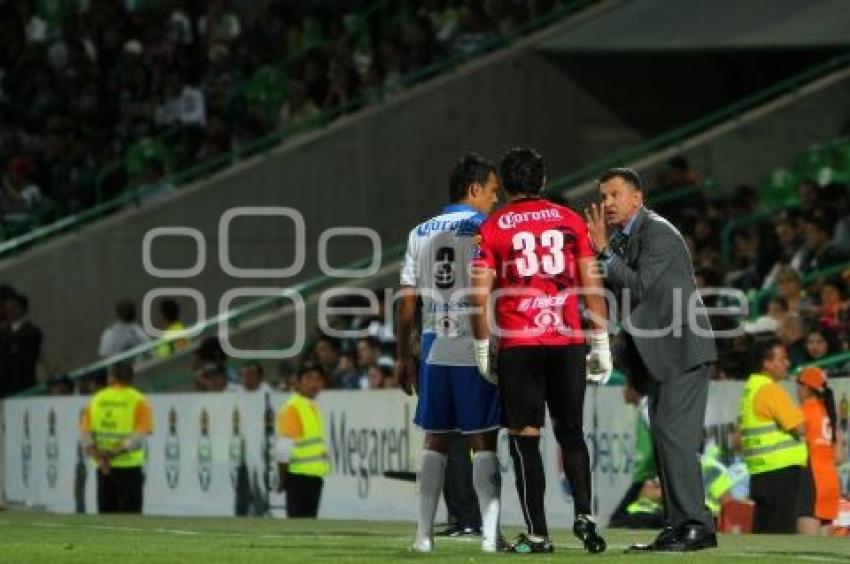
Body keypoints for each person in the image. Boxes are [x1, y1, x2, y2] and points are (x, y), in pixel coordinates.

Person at [470, 147, 610, 554]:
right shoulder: (569, 221)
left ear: (507, 184)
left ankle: (538, 534)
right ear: (543, 182)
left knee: (525, 440)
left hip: (521, 344)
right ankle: (584, 514)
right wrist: (600, 341)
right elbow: (592, 287)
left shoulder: (494, 227)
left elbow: (479, 297)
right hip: (567, 341)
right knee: (571, 432)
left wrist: (482, 347)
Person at [585, 167, 718, 552]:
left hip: (681, 351)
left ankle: (696, 526)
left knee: (675, 438)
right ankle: (678, 525)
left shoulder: (657, 232)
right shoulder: (626, 239)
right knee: (665, 438)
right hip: (659, 356)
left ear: (637, 198)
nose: (607, 203)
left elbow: (640, 286)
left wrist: (603, 252)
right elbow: (625, 299)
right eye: (603, 196)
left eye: (614, 195)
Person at [396, 153, 502, 553]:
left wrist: (405, 355)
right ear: (474, 189)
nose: (495, 199)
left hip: (432, 347)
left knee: (435, 441)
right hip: (475, 343)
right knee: (483, 441)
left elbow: (406, 303)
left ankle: (423, 536)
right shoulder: (486, 230)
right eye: (492, 191)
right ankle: (490, 537)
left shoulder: (419, 232)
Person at [738, 338, 807, 533]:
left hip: (761, 471)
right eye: (782, 358)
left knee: (764, 532)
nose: (787, 363)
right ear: (766, 364)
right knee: (781, 533)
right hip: (781, 472)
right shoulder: (770, 389)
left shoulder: (751, 388)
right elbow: (800, 427)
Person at [79, 362, 153, 513]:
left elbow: (85, 435)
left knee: (107, 519)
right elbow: (139, 435)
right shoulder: (139, 401)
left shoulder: (97, 399)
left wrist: (100, 458)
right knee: (131, 518)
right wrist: (113, 454)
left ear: (110, 378)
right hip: (129, 466)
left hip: (104, 468)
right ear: (131, 379)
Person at [276, 363, 329, 518]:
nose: (314, 383)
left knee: (307, 524)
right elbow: (283, 448)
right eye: (308, 378)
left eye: (318, 379)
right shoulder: (294, 407)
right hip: (299, 478)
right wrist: (283, 477)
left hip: (313, 478)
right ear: (298, 382)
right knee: (299, 525)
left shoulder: (310, 407)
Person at [796, 366, 845, 535]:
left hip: (813, 477)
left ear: (806, 387)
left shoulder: (806, 409)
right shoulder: (830, 415)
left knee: (806, 549)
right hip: (831, 480)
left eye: (799, 384)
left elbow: (797, 431)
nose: (797, 389)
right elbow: (839, 457)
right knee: (824, 549)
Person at [0, 292, 43, 397]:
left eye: (14, 308)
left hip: (22, 384)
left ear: (23, 310)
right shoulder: (3, 332)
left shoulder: (32, 332)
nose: (10, 312)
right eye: (7, 309)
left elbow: (28, 359)